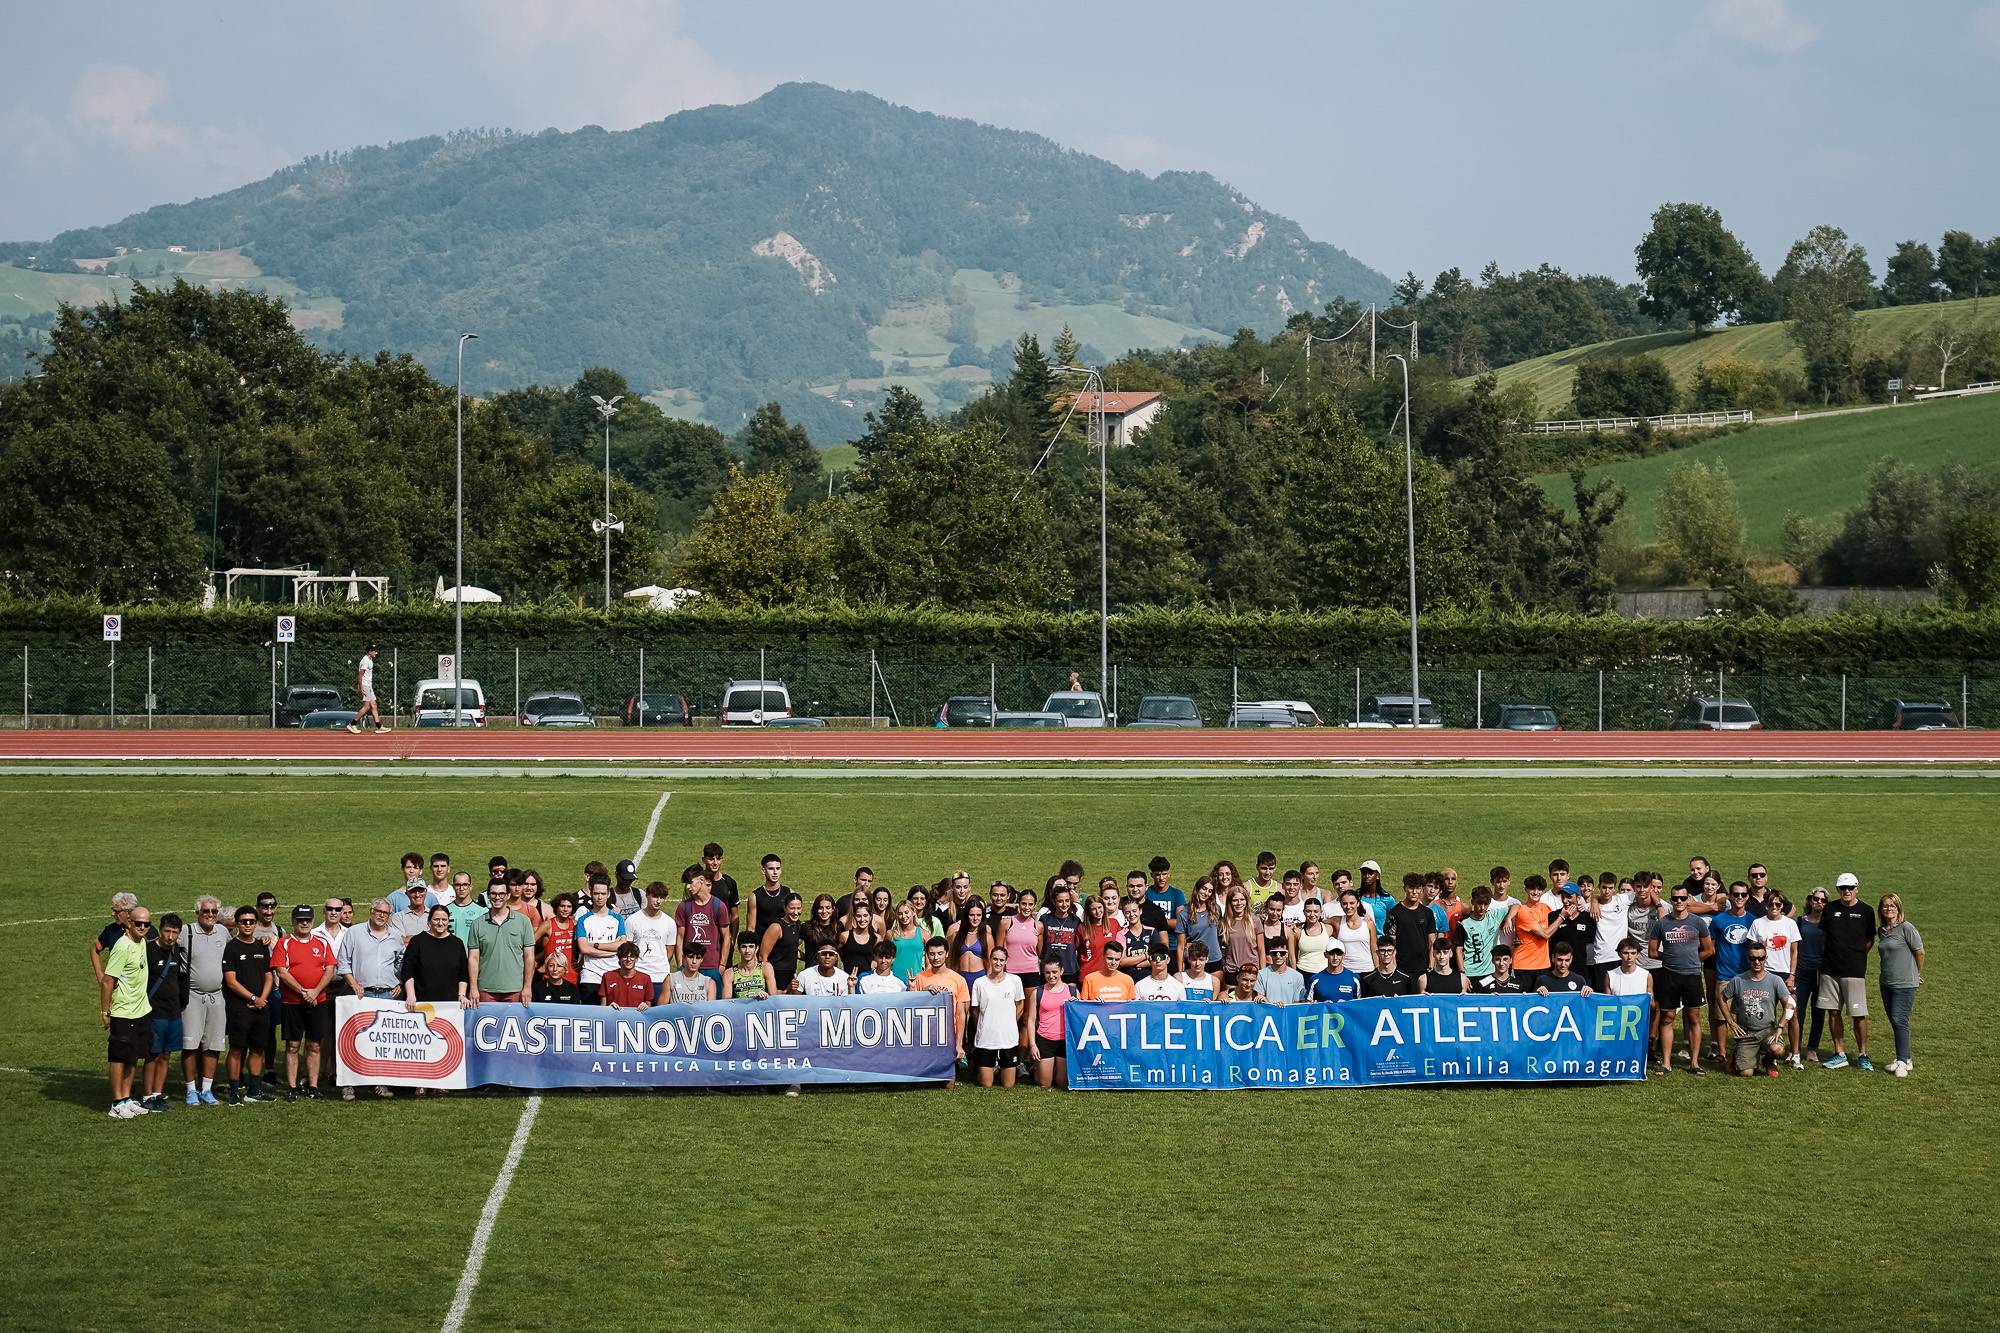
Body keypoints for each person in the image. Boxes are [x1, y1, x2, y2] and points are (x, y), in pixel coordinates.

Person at [336, 898, 406, 1100]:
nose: (382, 915)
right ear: (371, 911)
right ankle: (349, 1084)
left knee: (383, 1040)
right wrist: (354, 984)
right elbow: (343, 963)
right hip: (361, 994)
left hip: (387, 994)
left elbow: (401, 964)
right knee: (354, 1039)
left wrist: (399, 983)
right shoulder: (354, 932)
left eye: (386, 913)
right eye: (378, 911)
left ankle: (380, 1082)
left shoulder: (395, 937)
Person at [270, 905, 337, 1101]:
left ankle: (313, 1086)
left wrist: (315, 991)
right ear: (293, 922)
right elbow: (281, 972)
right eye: (300, 920)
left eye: (307, 920)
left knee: (314, 1045)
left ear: (313, 921)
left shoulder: (322, 943)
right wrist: (303, 992)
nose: (304, 923)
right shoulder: (284, 943)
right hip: (292, 1002)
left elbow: (330, 969)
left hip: (318, 1001)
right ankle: (292, 1086)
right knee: (292, 1045)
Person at [1648, 883, 1715, 1074]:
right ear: (1671, 900)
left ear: (1688, 900)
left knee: (1693, 1018)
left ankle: (1694, 1063)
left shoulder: (1698, 922)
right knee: (1667, 1018)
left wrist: (1693, 960)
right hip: (1669, 976)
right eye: (1675, 898)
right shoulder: (1662, 923)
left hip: (1692, 976)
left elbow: (1709, 950)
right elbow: (1652, 952)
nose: (1679, 901)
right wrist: (1670, 959)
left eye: (1683, 898)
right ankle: (1666, 1063)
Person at [1817, 873, 1876, 1071]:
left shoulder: (1866, 911)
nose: (1847, 891)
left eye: (1850, 887)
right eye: (1843, 888)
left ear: (1857, 888)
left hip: (1854, 970)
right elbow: (1825, 936)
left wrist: (1856, 956)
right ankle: (1839, 1053)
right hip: (1830, 970)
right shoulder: (1830, 909)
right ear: (1838, 889)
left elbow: (1870, 939)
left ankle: (1863, 1054)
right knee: (1833, 1012)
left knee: (1859, 1014)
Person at [100, 904, 153, 1118]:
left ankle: (127, 1098)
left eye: (146, 924)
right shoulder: (122, 946)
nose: (143, 927)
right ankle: (116, 1103)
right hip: (123, 1011)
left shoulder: (142, 942)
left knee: (134, 1057)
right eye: (138, 923)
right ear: (129, 923)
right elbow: (107, 981)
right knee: (119, 1058)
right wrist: (105, 1012)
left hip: (140, 1010)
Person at [221, 905, 276, 1105]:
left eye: (251, 922)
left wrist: (262, 999)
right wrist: (254, 998)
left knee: (258, 1049)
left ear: (255, 923)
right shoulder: (231, 948)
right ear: (237, 923)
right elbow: (231, 982)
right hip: (239, 1008)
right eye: (243, 921)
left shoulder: (261, 946)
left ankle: (254, 1091)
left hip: (261, 1007)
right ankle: (234, 1092)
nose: (247, 925)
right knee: (236, 1049)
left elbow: (269, 975)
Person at [179, 894, 229, 1106]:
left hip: (217, 997)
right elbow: (165, 943)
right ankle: (191, 1089)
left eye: (214, 911)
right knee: (190, 1044)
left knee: (213, 1044)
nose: (210, 915)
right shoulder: (186, 931)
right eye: (206, 911)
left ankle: (206, 1089)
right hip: (192, 997)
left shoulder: (223, 932)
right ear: (197, 912)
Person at [1720, 944, 1791, 1078]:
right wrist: (1731, 1022)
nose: (1757, 962)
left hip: (1767, 1031)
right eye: (1753, 958)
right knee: (1746, 1073)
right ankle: (1736, 1054)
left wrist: (1780, 1027)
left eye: (1761, 958)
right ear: (1748, 959)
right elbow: (1721, 998)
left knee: (1778, 1050)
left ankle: (1768, 1061)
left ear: (1766, 959)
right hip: (1746, 1033)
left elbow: (1790, 1004)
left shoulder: (1775, 980)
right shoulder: (1738, 980)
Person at [1748, 892, 1802, 1066]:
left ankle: (1795, 1054)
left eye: (1778, 905)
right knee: (1765, 1015)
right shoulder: (1758, 923)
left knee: (1792, 1014)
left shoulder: (1790, 924)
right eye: (1771, 904)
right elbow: (1753, 951)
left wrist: (1792, 975)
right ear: (1766, 905)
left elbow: (1794, 952)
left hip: (1785, 974)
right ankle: (1769, 1052)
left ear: (1782, 906)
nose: (1774, 908)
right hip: (1766, 974)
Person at [1708, 882, 1756, 1071]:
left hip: (1747, 976)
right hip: (1725, 975)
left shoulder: (1753, 921)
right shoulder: (1719, 920)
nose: (1739, 898)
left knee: (1748, 1016)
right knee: (1721, 1016)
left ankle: (1745, 1051)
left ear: (1747, 897)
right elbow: (1711, 946)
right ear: (1729, 896)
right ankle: (1722, 1052)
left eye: (1743, 894)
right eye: (1736, 894)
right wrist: (1721, 960)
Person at [1874, 894, 1923, 1077]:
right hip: (1886, 982)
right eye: (1885, 906)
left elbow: (1920, 952)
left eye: (1892, 906)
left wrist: (1916, 974)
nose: (1889, 909)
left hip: (1905, 984)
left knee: (1899, 1020)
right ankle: (1906, 1058)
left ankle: (1902, 1061)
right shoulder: (1882, 931)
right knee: (1895, 1021)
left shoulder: (1906, 928)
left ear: (1898, 908)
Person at [909, 938, 969, 1086]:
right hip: (925, 1036)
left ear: (947, 954)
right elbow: (911, 1009)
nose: (936, 958)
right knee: (921, 1085)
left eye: (940, 953)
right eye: (932, 954)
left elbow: (961, 1014)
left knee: (948, 1084)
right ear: (927, 955)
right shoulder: (920, 977)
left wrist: (959, 1044)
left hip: (947, 1036)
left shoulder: (959, 980)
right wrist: (922, 992)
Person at [468, 882, 537, 1006]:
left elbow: (529, 957)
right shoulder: (477, 924)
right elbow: (473, 958)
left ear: (508, 895)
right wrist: (473, 988)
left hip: (515, 989)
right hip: (486, 989)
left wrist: (527, 987)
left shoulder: (523, 921)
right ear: (488, 896)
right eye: (493, 894)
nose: (497, 897)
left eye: (501, 894)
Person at [969, 946, 1026, 1088]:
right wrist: (984, 1025)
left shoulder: (1015, 981)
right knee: (986, 1084)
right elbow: (975, 1011)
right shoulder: (979, 983)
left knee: (1008, 1084)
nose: (998, 963)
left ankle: (1000, 1069)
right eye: (995, 959)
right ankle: (988, 1070)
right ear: (990, 960)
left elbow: (1020, 1006)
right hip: (986, 1039)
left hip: (1008, 1038)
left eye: (1001, 960)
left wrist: (1009, 1023)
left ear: (1006, 962)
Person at [574, 879, 626, 1006]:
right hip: (590, 976)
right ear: (591, 893)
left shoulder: (618, 918)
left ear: (608, 894)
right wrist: (610, 951)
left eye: (603, 893)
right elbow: (584, 949)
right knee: (590, 1014)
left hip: (613, 974)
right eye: (596, 893)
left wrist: (594, 945)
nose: (600, 897)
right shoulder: (583, 920)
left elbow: (621, 945)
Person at [626, 882, 678, 1000]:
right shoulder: (632, 920)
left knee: (660, 1010)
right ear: (647, 895)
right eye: (655, 897)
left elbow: (670, 950)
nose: (658, 901)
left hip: (661, 976)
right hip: (638, 975)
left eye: (662, 898)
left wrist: (659, 964)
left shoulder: (669, 922)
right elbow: (628, 948)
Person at [1027, 958, 1073, 1089]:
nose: (1051, 976)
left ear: (1061, 971)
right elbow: (1031, 1020)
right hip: (1045, 1039)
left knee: (1062, 1083)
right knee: (1045, 1084)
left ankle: (1049, 1068)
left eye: (1054, 972)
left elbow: (1080, 1016)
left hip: (1064, 1041)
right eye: (1047, 972)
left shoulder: (1072, 991)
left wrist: (1075, 1004)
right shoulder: (1038, 992)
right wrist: (1032, 1045)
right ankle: (1036, 1070)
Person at [1795, 887, 1829, 1062]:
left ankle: (1812, 1049)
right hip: (1801, 972)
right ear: (1810, 900)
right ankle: (1796, 1047)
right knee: (1798, 1011)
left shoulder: (1829, 924)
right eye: (1816, 899)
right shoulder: (1799, 922)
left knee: (1818, 1013)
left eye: (1823, 900)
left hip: (1821, 973)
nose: (1819, 902)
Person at [1387, 875, 1436, 981]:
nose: (1414, 892)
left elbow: (1432, 942)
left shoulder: (1428, 913)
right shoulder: (1394, 913)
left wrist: (1431, 966)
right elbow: (1391, 943)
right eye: (1411, 888)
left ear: (1422, 890)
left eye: (1418, 888)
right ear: (1405, 888)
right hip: (1401, 967)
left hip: (1423, 968)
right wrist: (1394, 966)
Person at [1511, 875, 1556, 990]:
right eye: (1532, 889)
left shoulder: (1546, 908)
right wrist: (1562, 917)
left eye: (1539, 889)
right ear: (1526, 890)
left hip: (1544, 966)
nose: (1536, 892)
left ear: (1544, 891)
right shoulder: (1523, 911)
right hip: (1524, 966)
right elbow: (1545, 934)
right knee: (1524, 999)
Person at [1455, 887, 1505, 990]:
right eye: (1479, 903)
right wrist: (1462, 973)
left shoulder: (1493, 917)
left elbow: (1516, 906)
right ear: (1472, 902)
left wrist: (1508, 919)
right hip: (1470, 973)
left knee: (1489, 999)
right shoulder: (1463, 923)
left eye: (1486, 904)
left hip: (1489, 973)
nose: (1482, 907)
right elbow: (1458, 950)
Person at [93, 892, 144, 987]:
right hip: (117, 990)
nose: (113, 914)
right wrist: (99, 974)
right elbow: (95, 948)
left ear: (128, 913)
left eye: (117, 911)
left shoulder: (147, 931)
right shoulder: (111, 930)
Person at [762, 893, 804, 995]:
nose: (796, 912)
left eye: (798, 908)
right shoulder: (776, 927)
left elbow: (791, 949)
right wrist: (768, 980)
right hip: (776, 975)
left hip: (790, 975)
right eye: (792, 908)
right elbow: (762, 956)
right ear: (785, 908)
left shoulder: (798, 926)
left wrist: (811, 957)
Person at [1041, 884, 1083, 985]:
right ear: (1053, 901)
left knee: (1070, 994)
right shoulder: (1045, 919)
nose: (1064, 904)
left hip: (1069, 968)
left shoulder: (1075, 921)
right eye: (1060, 901)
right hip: (1050, 969)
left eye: (1067, 901)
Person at [1334, 890, 1378, 978]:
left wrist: (1377, 969)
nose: (1348, 906)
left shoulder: (1368, 923)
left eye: (1352, 903)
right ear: (1341, 905)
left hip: (1367, 969)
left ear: (1358, 904)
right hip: (1346, 970)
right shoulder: (1337, 921)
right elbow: (1319, 922)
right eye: (1345, 904)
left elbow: (1374, 949)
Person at [748, 853, 789, 941]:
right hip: (762, 944)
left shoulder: (789, 893)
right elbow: (751, 929)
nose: (775, 872)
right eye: (771, 869)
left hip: (783, 944)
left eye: (778, 868)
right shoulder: (755, 897)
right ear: (763, 871)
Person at [601, 942, 654, 1009]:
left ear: (636, 959)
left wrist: (645, 1006)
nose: (628, 960)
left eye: (632, 957)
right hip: (614, 1015)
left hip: (637, 1015)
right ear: (619, 958)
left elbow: (648, 1005)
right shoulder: (607, 976)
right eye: (625, 956)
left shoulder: (645, 978)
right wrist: (609, 1007)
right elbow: (602, 1007)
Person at [723, 932, 772, 1002]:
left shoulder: (765, 968)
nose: (747, 951)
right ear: (739, 949)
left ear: (757, 949)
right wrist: (751, 997)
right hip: (740, 1008)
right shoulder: (730, 973)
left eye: (751, 947)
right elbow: (726, 1002)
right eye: (744, 947)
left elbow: (774, 996)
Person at [348, 644, 386, 732]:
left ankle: (378, 726)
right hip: (365, 685)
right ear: (370, 652)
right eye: (374, 651)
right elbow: (360, 675)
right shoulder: (365, 661)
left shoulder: (369, 659)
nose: (376, 653)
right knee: (366, 707)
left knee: (374, 705)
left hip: (368, 685)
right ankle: (352, 724)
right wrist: (361, 689)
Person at [700, 843, 740, 924]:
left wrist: (733, 933)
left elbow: (734, 915)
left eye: (718, 859)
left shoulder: (729, 883)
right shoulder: (697, 883)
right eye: (711, 859)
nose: (715, 863)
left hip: (723, 930)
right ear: (704, 860)